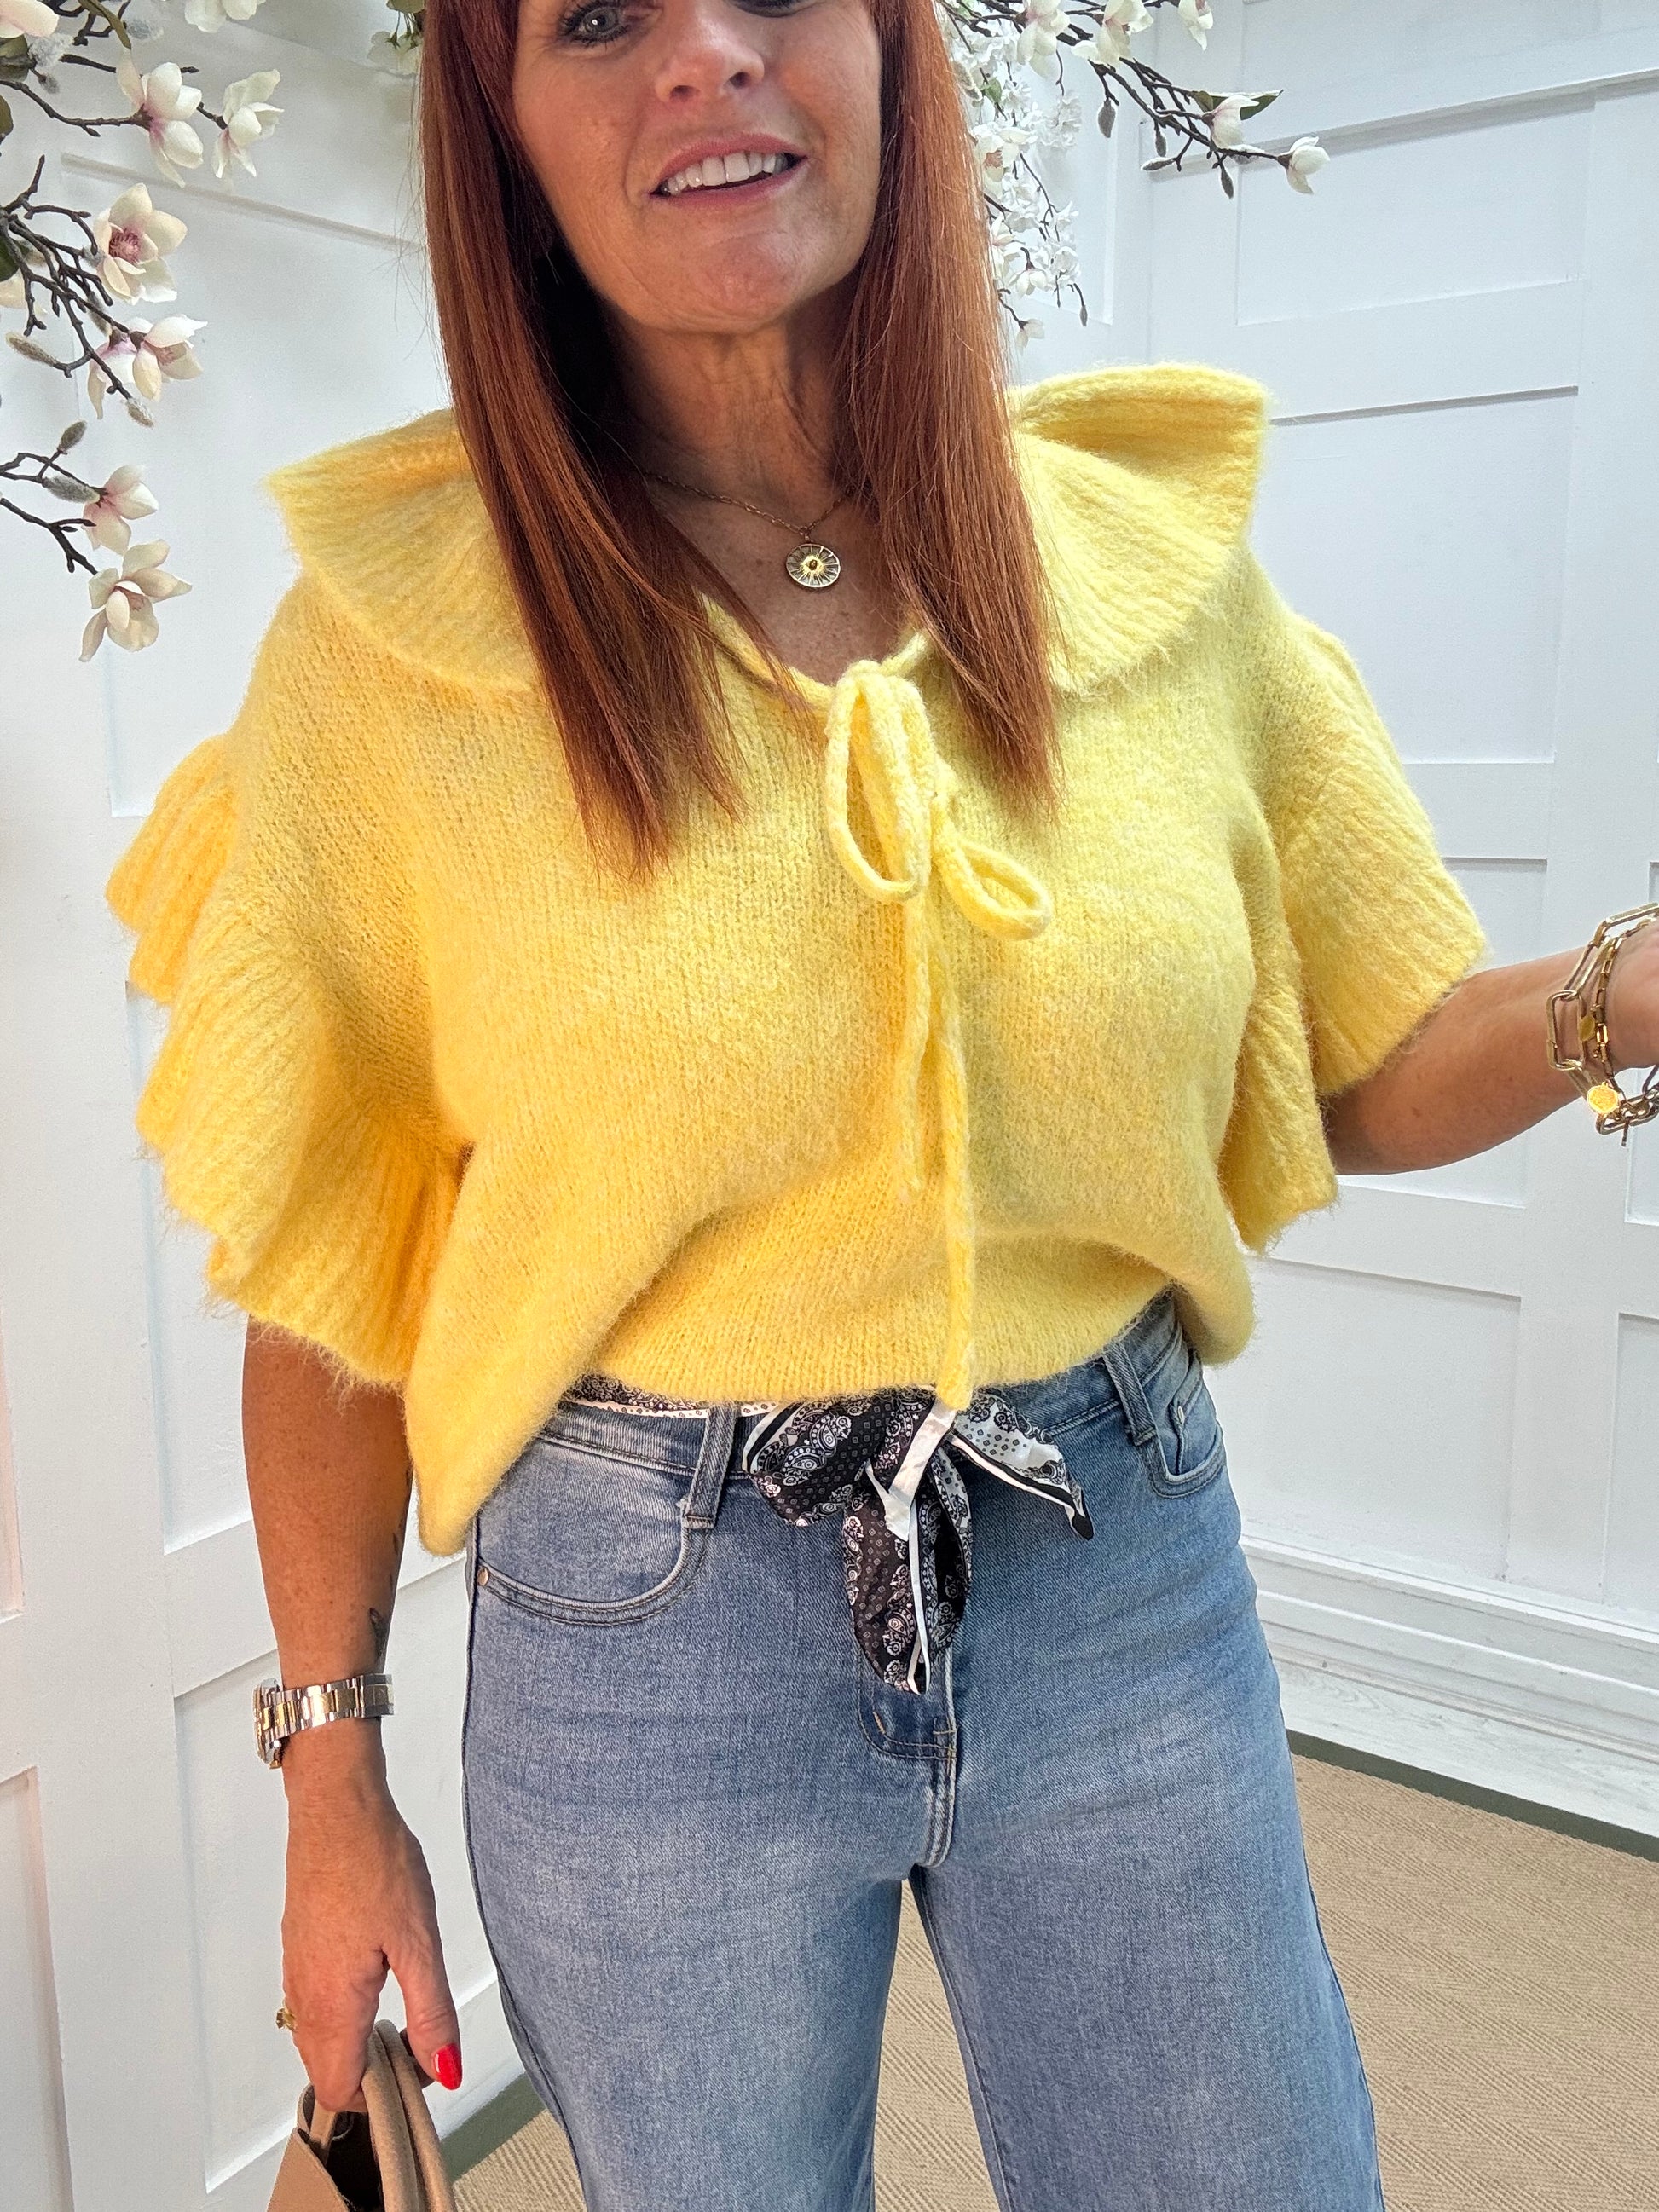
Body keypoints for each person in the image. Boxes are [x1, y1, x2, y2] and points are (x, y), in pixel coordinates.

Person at [104, 0, 1659, 2204]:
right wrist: (328, 1781)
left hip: (1113, 1575)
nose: (703, 55)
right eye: (597, 16)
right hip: (642, 1637)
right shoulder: (396, 654)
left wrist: (1623, 990)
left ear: (890, 49)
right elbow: (332, 1269)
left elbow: (1354, 1053)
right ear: (502, 125)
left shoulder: (1140, 566)